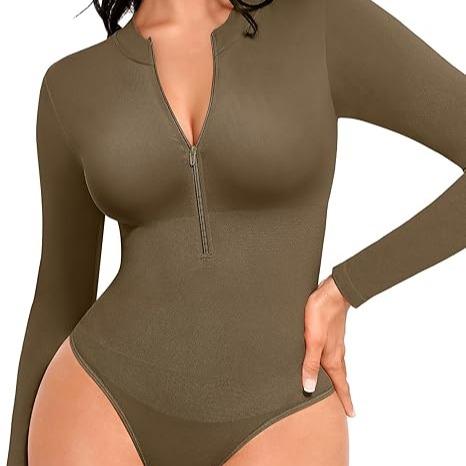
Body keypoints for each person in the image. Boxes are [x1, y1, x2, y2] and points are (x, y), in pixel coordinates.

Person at [7, 0, 465, 465]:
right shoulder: (72, 85)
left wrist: (347, 288)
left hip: (282, 412)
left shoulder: (319, 23)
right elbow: (59, 298)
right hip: (100, 407)